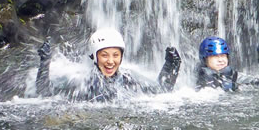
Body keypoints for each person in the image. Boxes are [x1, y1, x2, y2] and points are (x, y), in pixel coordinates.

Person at [35, 28, 181, 101]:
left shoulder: (129, 79)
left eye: (115, 55)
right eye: (104, 55)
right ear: (95, 57)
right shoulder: (83, 85)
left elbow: (161, 93)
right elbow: (46, 95)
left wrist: (171, 66)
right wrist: (45, 63)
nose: (111, 61)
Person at [195, 36, 259, 91]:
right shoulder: (199, 78)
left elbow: (258, 83)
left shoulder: (233, 75)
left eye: (223, 56)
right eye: (215, 56)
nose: (220, 60)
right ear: (205, 59)